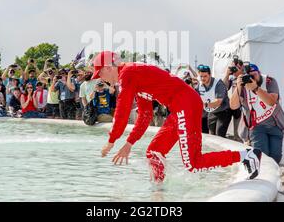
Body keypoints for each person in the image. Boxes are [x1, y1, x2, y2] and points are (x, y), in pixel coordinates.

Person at [94, 51, 262, 183]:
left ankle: (246, 155)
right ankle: (158, 193)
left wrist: (111, 140)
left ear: (108, 67)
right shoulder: (132, 77)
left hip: (185, 104)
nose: (100, 78)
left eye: (99, 73)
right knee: (154, 152)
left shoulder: (128, 74)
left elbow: (122, 112)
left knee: (193, 163)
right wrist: (129, 143)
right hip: (180, 107)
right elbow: (145, 115)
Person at [230, 63, 284, 164]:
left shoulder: (269, 81)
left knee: (276, 156)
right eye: (249, 75)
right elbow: (233, 106)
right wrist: (238, 86)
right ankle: (263, 178)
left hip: (275, 124)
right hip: (256, 127)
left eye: (254, 74)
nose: (252, 78)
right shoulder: (243, 86)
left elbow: (271, 101)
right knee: (262, 155)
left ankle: (273, 177)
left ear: (259, 73)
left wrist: (256, 88)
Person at [196, 64, 231, 137]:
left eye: (205, 76)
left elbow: (218, 102)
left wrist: (204, 104)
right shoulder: (199, 86)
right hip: (212, 112)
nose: (203, 78)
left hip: (223, 112)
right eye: (201, 76)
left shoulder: (218, 83)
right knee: (212, 136)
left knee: (219, 135)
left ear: (210, 75)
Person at [222, 58, 244, 142]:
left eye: (237, 67)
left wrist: (240, 75)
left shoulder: (244, 76)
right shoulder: (231, 78)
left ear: (241, 68)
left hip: (241, 106)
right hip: (230, 105)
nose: (234, 70)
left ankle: (238, 137)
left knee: (239, 131)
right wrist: (227, 74)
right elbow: (223, 87)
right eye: (233, 67)